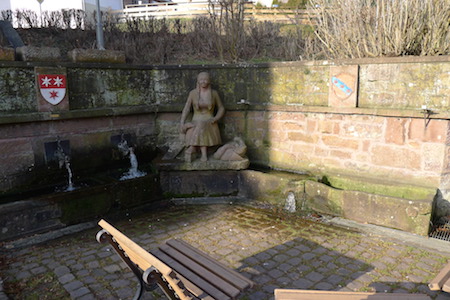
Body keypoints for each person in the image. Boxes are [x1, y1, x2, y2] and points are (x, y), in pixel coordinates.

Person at [180, 72, 225, 162]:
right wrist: (182, 122)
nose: (203, 81)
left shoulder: (214, 93)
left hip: (209, 120)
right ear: (198, 81)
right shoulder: (192, 93)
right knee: (200, 124)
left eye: (205, 79)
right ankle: (202, 153)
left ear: (209, 81)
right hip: (196, 120)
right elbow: (186, 108)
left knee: (202, 124)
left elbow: (221, 108)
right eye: (201, 79)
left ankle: (193, 148)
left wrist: (216, 118)